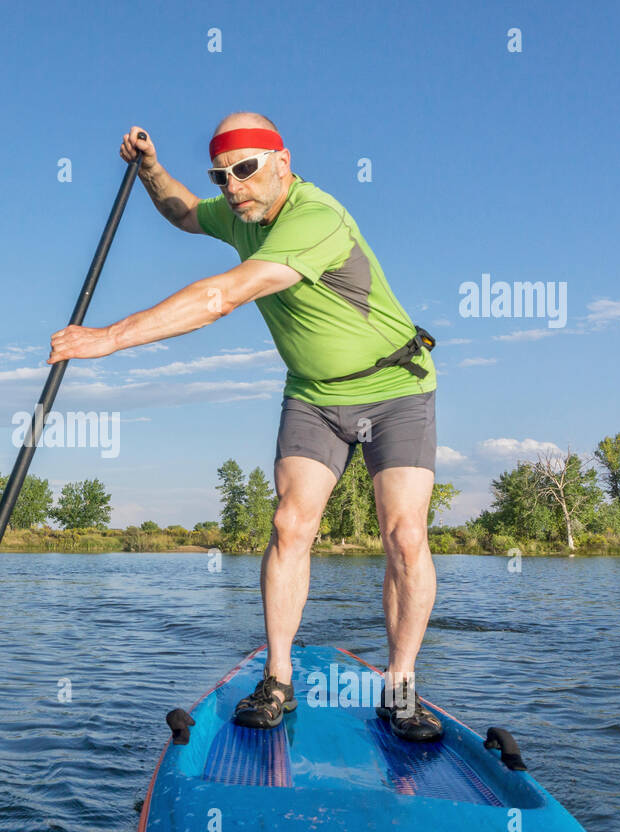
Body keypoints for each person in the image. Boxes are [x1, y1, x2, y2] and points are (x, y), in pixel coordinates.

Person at [46, 113, 442, 741]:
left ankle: (400, 687)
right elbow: (182, 213)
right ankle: (279, 680)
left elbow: (221, 297)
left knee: (403, 535)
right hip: (313, 395)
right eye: (221, 175)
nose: (232, 187)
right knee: (290, 523)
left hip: (395, 389)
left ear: (282, 162)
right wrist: (150, 169)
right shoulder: (243, 212)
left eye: (246, 170)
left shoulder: (317, 218)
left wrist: (108, 338)